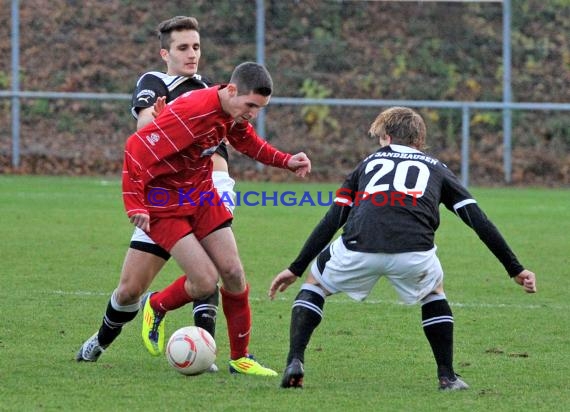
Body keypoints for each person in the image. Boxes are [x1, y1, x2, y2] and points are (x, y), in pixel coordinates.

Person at [268, 106, 536, 390]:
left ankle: (295, 360)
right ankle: (447, 376)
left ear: (387, 136)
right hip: (414, 253)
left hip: (359, 246)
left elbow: (333, 218)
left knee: (315, 284)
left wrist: (295, 268)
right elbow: (478, 221)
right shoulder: (437, 168)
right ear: (419, 140)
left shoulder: (367, 164)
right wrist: (515, 269)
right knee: (434, 292)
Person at [124, 61, 310, 377]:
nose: (253, 113)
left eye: (260, 108)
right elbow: (136, 147)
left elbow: (246, 140)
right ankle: (155, 306)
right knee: (204, 281)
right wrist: (135, 205)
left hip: (202, 195)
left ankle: (240, 359)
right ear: (232, 90)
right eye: (251, 105)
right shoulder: (193, 111)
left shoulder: (230, 110)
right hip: (164, 203)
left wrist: (286, 161)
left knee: (234, 272)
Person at [76, 16, 232, 371]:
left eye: (196, 47)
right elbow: (146, 126)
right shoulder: (154, 82)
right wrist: (173, 119)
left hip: (212, 188)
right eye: (182, 48)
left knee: (210, 271)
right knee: (130, 288)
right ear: (165, 53)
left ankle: (206, 350)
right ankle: (100, 340)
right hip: (164, 196)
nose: (191, 54)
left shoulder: (211, 88)